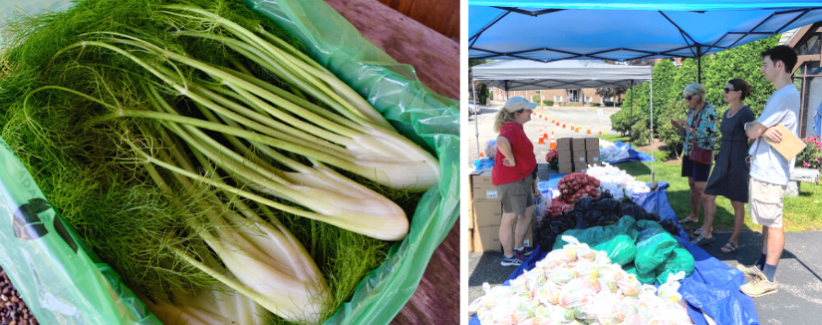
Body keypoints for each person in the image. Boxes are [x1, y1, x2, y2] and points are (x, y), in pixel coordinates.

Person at [737, 45, 800, 297]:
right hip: (770, 168)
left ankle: (769, 278)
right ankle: (762, 267)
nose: (762, 69)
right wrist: (759, 128)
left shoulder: (782, 96)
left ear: (779, 65)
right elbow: (755, 129)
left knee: (773, 222)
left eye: (765, 64)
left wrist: (757, 129)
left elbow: (751, 131)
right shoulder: (787, 94)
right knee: (767, 221)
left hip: (772, 170)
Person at [697, 79, 757, 252]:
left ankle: (734, 240)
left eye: (727, 90)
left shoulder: (745, 113)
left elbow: (753, 135)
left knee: (736, 203)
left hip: (738, 161)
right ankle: (707, 232)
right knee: (708, 195)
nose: (724, 93)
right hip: (723, 159)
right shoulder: (727, 112)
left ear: (738, 93)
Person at [492, 97, 540, 266]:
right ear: (517, 113)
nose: (531, 112)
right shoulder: (511, 127)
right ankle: (508, 257)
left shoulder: (517, 127)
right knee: (509, 217)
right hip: (512, 180)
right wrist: (511, 160)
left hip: (522, 178)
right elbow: (501, 141)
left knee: (528, 211)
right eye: (527, 110)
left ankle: (519, 247)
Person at [672, 83, 718, 242]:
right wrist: (680, 128)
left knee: (701, 189)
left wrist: (688, 127)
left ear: (698, 96)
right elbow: (688, 133)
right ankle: (693, 216)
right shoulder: (692, 110)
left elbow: (708, 135)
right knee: (692, 186)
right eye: (685, 97)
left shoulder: (710, 110)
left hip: (702, 152)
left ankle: (707, 226)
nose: (686, 100)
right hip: (690, 152)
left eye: (688, 97)